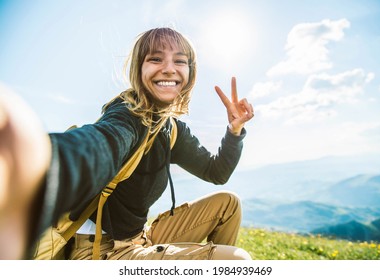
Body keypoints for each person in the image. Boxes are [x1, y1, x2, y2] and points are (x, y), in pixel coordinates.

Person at [0, 27, 254, 260]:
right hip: (99, 250)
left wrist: (234, 130)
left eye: (179, 61)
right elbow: (100, 145)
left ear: (190, 72)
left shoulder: (172, 128)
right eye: (156, 59)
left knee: (227, 204)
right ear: (138, 68)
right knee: (236, 260)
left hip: (140, 238)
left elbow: (216, 172)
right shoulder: (127, 115)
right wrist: (36, 163)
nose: (169, 68)